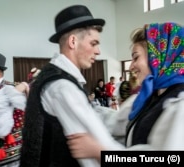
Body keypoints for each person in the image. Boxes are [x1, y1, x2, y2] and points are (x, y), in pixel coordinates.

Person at [67, 22, 184, 162]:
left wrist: (101, 153)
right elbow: (116, 122)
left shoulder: (179, 102)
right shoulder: (149, 97)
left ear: (157, 59)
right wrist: (82, 105)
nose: (131, 66)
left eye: (136, 57)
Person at [20, 4, 121, 167]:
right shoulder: (62, 87)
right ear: (73, 41)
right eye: (94, 43)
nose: (98, 51)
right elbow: (98, 151)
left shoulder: (53, 76)